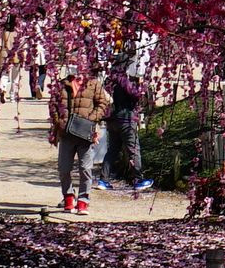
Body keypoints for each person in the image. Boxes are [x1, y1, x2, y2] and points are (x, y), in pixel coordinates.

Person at [49, 64, 112, 208]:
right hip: (66, 133)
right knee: (64, 168)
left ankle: (83, 199)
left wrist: (91, 120)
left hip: (85, 133)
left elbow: (102, 103)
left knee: (85, 168)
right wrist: (60, 122)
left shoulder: (93, 84)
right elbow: (53, 105)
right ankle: (68, 196)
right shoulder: (62, 85)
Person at [107, 29, 154, 190]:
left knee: (113, 150)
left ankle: (103, 179)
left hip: (112, 118)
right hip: (126, 118)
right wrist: (141, 90)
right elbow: (134, 94)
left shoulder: (109, 80)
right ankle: (138, 179)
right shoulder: (122, 79)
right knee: (133, 149)